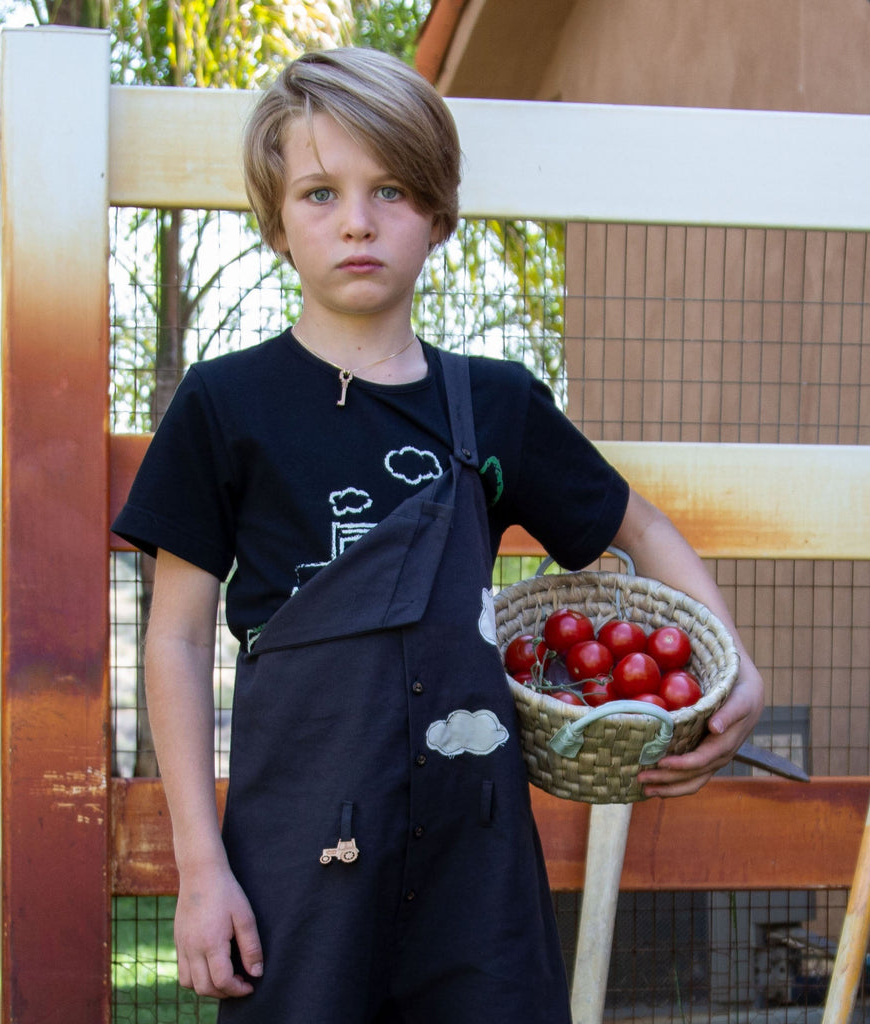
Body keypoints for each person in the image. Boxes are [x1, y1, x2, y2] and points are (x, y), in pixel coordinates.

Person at [112, 46, 764, 1022]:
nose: (358, 222)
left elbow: (640, 525)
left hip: (478, 862)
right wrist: (202, 871)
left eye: (391, 191)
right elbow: (173, 638)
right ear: (277, 220)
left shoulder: (494, 405)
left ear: (438, 215)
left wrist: (733, 666)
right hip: (300, 855)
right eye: (320, 193)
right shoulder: (224, 404)